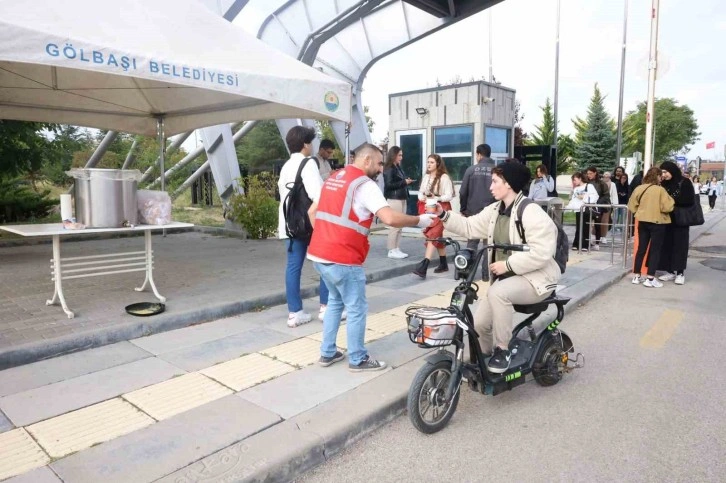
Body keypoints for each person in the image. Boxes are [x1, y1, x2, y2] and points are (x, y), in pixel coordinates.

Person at [307, 143, 437, 372]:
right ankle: (357, 359)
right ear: (366, 160)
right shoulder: (364, 185)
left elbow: (312, 212)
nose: (380, 169)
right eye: (378, 163)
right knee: (356, 308)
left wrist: (324, 238)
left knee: (335, 302)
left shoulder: (333, 178)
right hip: (344, 257)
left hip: (319, 255)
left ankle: (327, 353)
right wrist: (419, 220)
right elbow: (389, 218)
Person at [436, 162, 560, 373]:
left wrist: (508, 264)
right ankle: (482, 358)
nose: (490, 187)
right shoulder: (495, 210)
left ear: (509, 184)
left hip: (536, 280)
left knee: (499, 292)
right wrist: (443, 215)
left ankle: (502, 349)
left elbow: (542, 252)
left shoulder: (531, 212)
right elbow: (469, 226)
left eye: (495, 182)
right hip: (506, 280)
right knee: (480, 325)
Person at [277, 126, 329, 328]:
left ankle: (295, 312)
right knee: (324, 263)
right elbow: (319, 195)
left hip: (289, 224)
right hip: (310, 224)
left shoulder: (286, 166)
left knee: (293, 267)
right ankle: (326, 307)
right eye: (311, 142)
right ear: (305, 144)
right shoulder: (308, 163)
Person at [628, 167, 674, 288]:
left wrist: (639, 212)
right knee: (655, 250)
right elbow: (667, 207)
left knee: (641, 249)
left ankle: (636, 276)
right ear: (657, 176)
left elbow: (631, 205)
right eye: (660, 176)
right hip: (657, 223)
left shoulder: (639, 188)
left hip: (642, 221)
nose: (661, 178)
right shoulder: (660, 190)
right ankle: (650, 278)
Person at [413, 154, 455, 278]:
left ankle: (424, 265)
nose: (429, 164)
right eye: (428, 162)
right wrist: (422, 197)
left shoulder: (444, 177)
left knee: (433, 235)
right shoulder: (426, 176)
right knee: (437, 236)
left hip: (441, 209)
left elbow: (449, 195)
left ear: (437, 164)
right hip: (428, 208)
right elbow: (420, 192)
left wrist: (436, 197)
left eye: (431, 162)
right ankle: (443, 264)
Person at [459, 144, 496, 278]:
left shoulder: (471, 170)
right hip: (493, 213)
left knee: (472, 243)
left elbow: (463, 192)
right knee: (489, 245)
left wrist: (463, 209)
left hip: (473, 212)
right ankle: (487, 275)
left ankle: (468, 273)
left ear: (479, 154)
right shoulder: (497, 171)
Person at [656, 162, 695, 285]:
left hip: (680, 220)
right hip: (666, 219)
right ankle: (669, 271)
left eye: (666, 172)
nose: (664, 175)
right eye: (662, 172)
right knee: (666, 245)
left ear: (672, 171)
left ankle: (680, 272)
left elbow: (689, 200)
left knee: (680, 246)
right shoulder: (663, 184)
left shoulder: (685, 182)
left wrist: (671, 201)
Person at [382, 146, 414, 259]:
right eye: (399, 155)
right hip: (394, 199)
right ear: (393, 155)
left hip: (401, 197)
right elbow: (389, 185)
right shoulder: (389, 168)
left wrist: (405, 181)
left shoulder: (397, 167)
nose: (401, 157)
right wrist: (403, 182)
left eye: (401, 155)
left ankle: (396, 248)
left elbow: (398, 181)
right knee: (395, 225)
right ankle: (391, 249)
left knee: (400, 224)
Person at [567, 172, 598, 251]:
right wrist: (567, 208)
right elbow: (573, 200)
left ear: (580, 178)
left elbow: (595, 196)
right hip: (578, 209)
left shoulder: (589, 186)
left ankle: (585, 244)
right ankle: (576, 243)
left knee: (585, 227)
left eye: (575, 180)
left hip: (586, 209)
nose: (574, 182)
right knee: (578, 227)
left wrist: (584, 197)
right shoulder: (576, 189)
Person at [585, 166, 609, 251]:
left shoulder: (601, 183)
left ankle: (597, 243)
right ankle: (587, 241)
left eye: (590, 173)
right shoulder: (586, 183)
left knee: (597, 224)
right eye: (588, 174)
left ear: (595, 173)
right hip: (588, 206)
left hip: (598, 206)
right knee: (586, 224)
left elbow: (606, 195)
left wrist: (598, 202)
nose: (589, 175)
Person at [600, 171, 619, 243]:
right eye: (605, 176)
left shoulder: (613, 184)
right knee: (598, 220)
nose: (606, 177)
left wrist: (615, 205)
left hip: (608, 204)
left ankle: (604, 236)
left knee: (606, 220)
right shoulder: (600, 183)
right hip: (599, 204)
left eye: (608, 176)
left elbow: (614, 194)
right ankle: (597, 235)